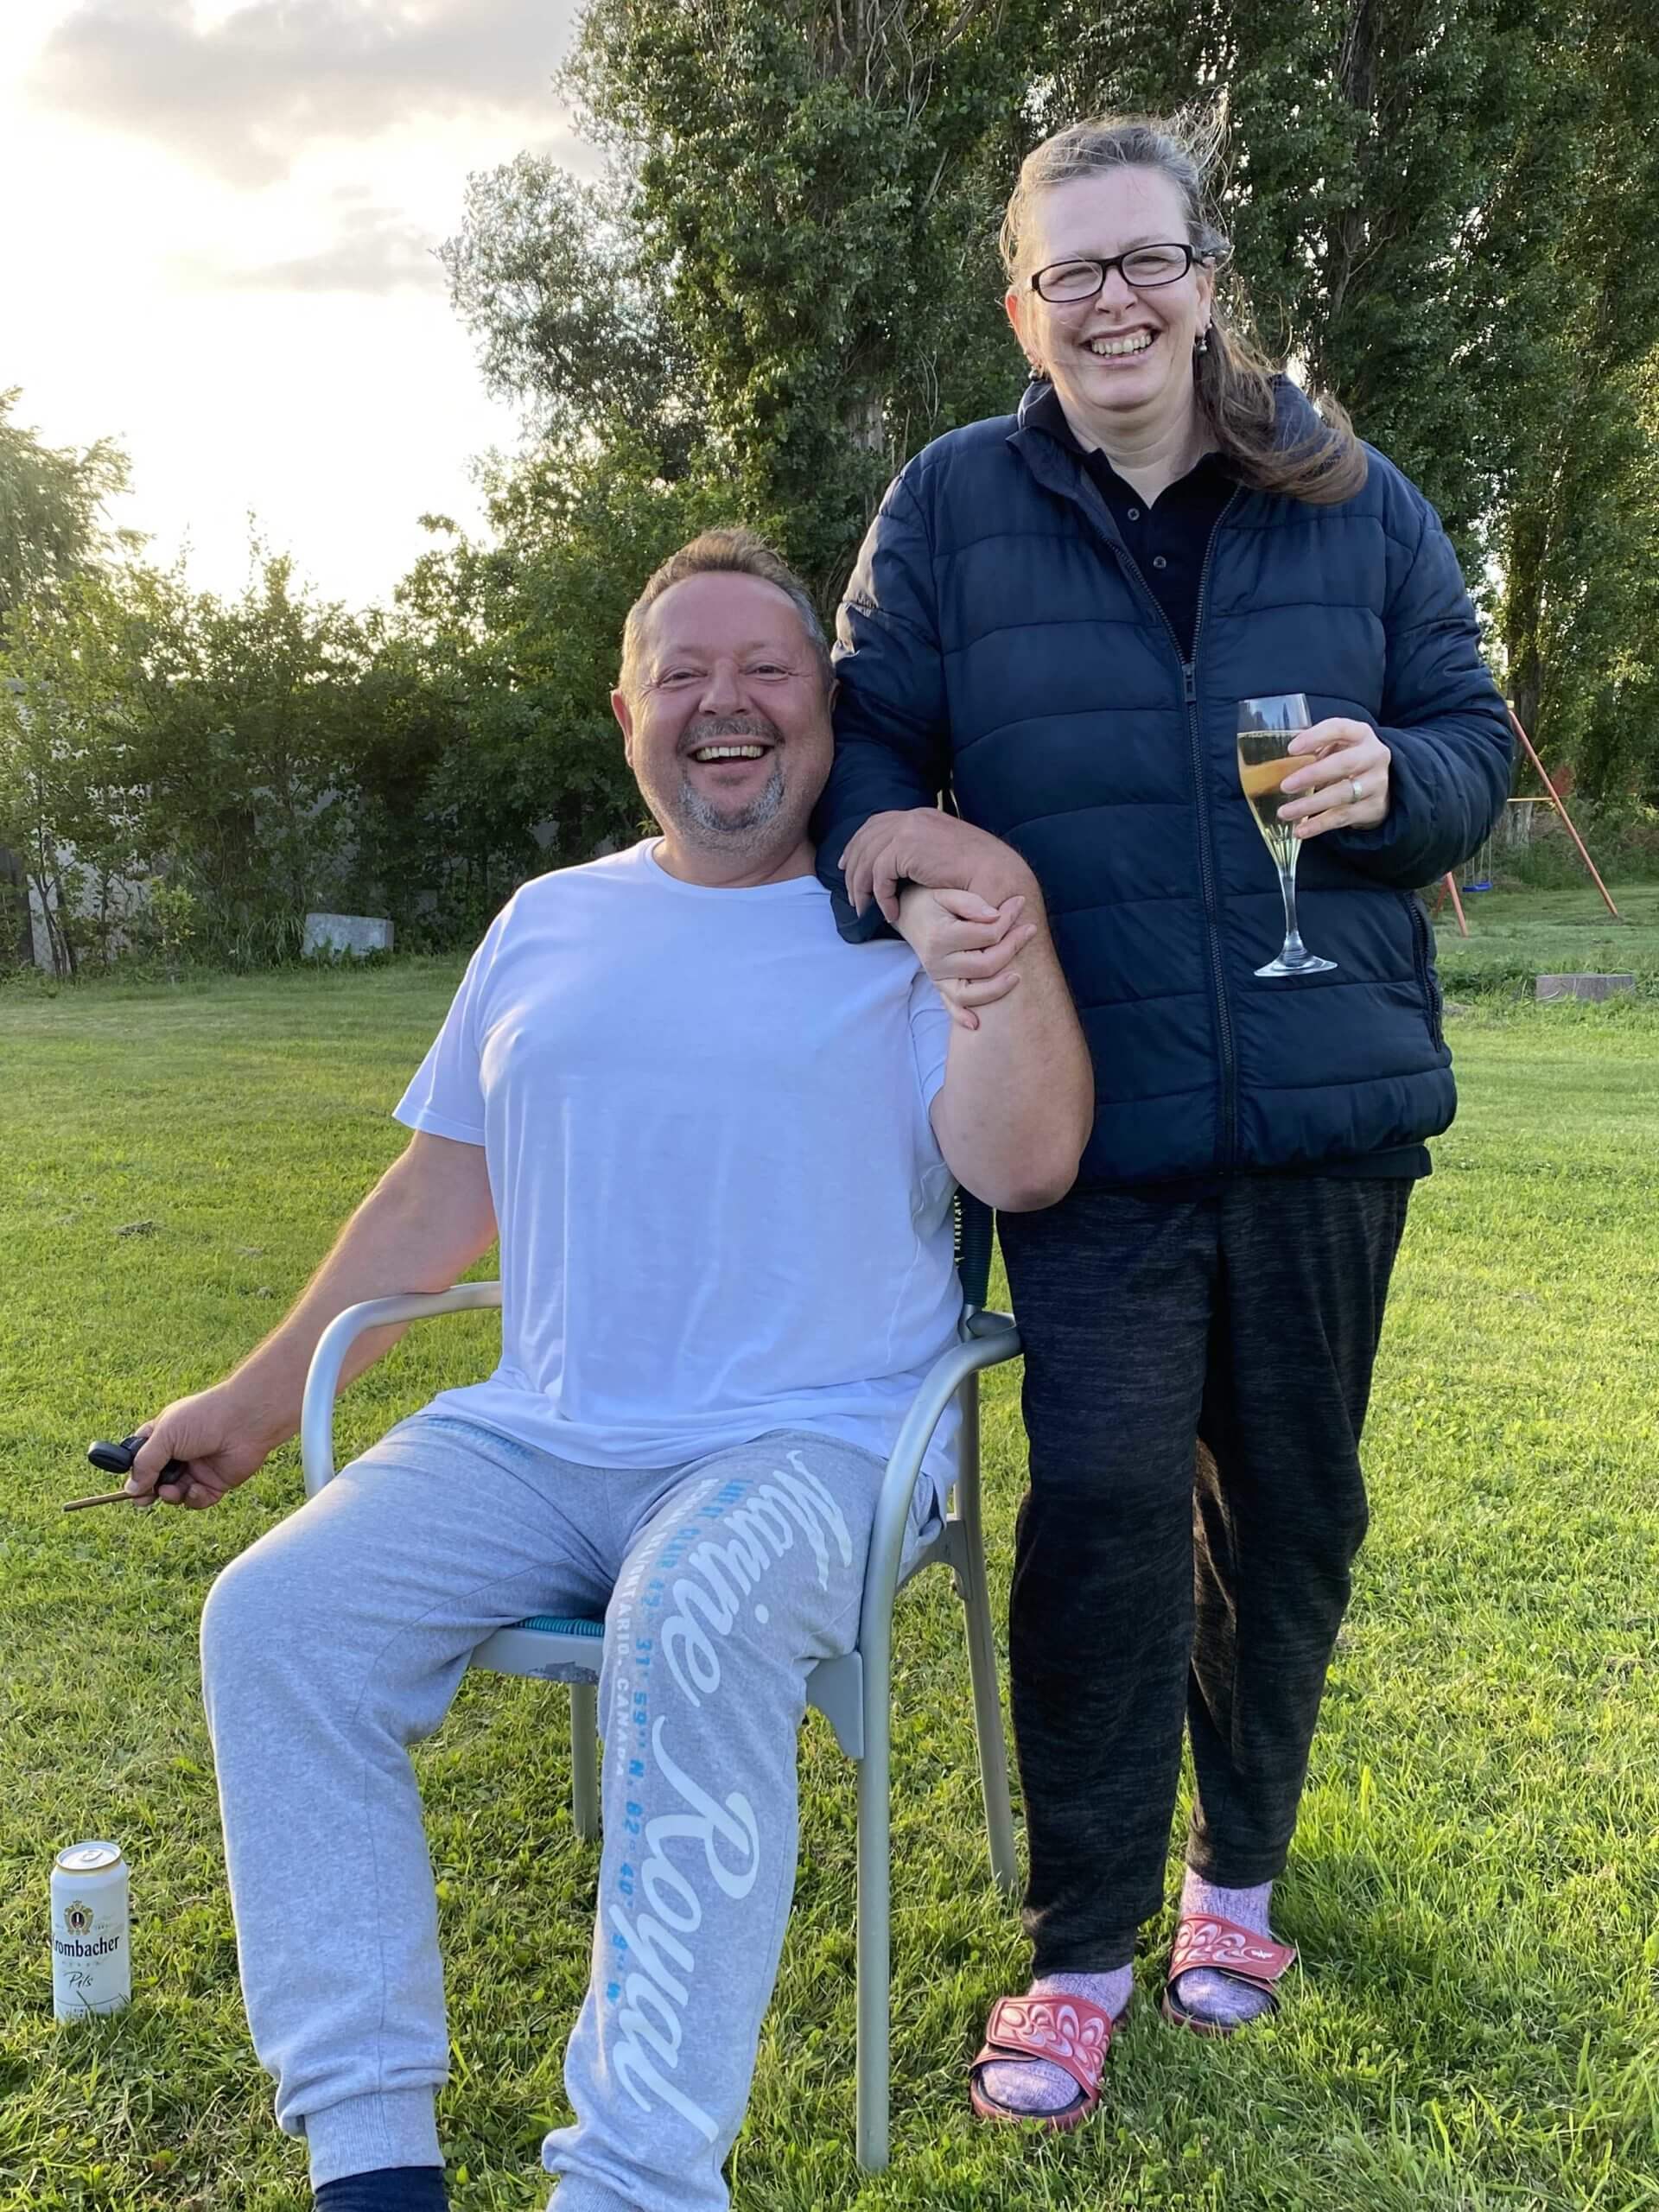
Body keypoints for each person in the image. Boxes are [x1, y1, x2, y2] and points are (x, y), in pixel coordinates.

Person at [123, 529, 1090, 2212]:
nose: (727, 702)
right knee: (275, 1618)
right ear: (625, 712)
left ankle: (635, 2180)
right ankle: (371, 2161)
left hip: (810, 1445)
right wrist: (253, 1403)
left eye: (766, 669)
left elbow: (1028, 1163)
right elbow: (437, 1196)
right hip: (538, 1436)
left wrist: (993, 925)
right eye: (682, 673)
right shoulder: (548, 920)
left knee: (690, 1612)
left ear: (827, 704)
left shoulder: (898, 926)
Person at [815, 112, 1514, 2130]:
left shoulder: (1352, 488)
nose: (1114, 300)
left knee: (1287, 1514)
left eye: (1149, 260)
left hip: (1326, 1115)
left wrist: (1405, 785)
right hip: (1091, 1131)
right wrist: (908, 864)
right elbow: (863, 754)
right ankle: (1081, 1950)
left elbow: (1473, 738)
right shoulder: (952, 505)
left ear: (1209, 279)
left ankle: (1240, 1883)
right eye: (1074, 271)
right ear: (1020, 308)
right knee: (1107, 1516)